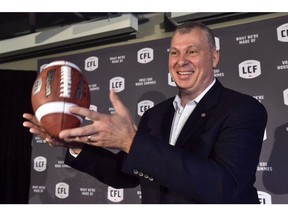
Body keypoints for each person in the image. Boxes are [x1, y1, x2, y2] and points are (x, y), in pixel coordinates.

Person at [23, 21, 267, 204]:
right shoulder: (156, 115)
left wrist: (131, 141)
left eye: (192, 51)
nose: (181, 61)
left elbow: (223, 185)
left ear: (214, 58)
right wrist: (75, 145)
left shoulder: (243, 109)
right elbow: (127, 175)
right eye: (174, 52)